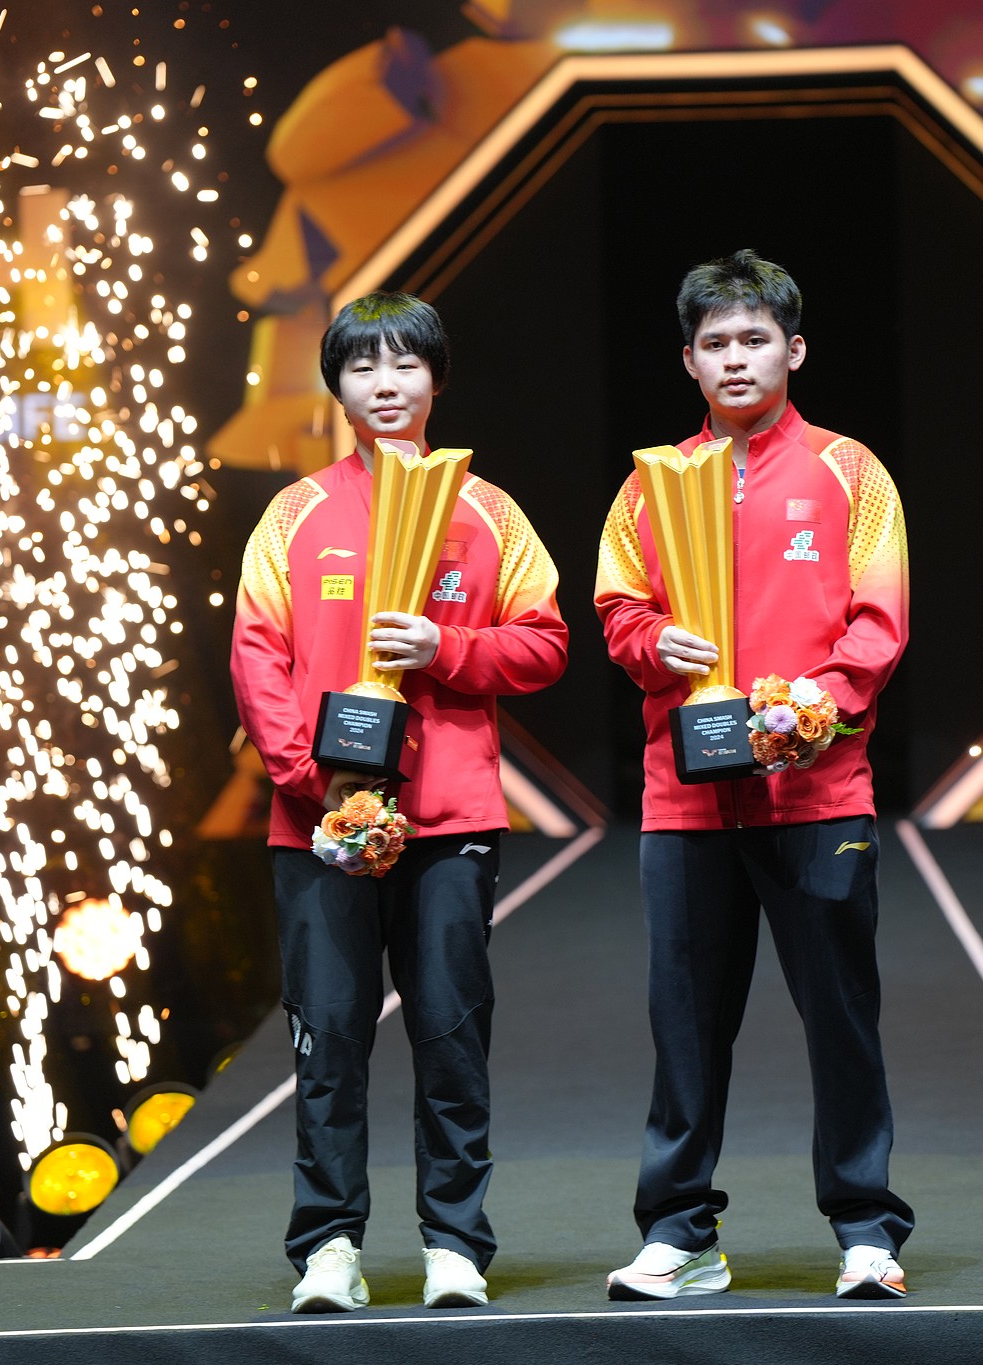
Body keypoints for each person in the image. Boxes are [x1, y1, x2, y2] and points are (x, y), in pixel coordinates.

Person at [231, 291, 568, 1312]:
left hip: (450, 822)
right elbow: (257, 657)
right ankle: (328, 1249)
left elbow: (545, 644)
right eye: (362, 367)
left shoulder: (489, 514)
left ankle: (454, 1244)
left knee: (449, 1033)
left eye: (405, 364)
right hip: (316, 825)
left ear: (436, 379)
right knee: (326, 1035)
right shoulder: (294, 513)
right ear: (334, 386)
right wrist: (313, 784)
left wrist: (448, 649)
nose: (385, 384)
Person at [595, 250, 914, 1300]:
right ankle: (679, 1232)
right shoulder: (648, 484)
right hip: (685, 798)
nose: (735, 359)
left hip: (816, 793)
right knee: (682, 1026)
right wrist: (655, 649)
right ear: (688, 361)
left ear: (794, 349)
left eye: (754, 339)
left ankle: (866, 1230)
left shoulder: (849, 472)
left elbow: (877, 618)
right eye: (714, 344)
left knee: (840, 1019)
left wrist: (813, 707)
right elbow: (616, 610)